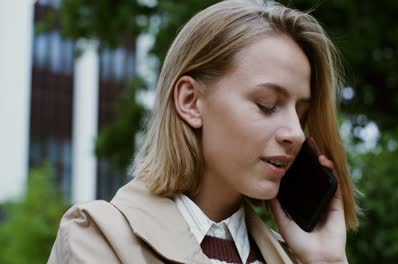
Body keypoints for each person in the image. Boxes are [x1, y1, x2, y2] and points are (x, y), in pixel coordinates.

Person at [48, 0, 360, 263]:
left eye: (301, 113)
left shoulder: (293, 258)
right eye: (267, 105)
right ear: (191, 102)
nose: (295, 132)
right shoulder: (98, 238)